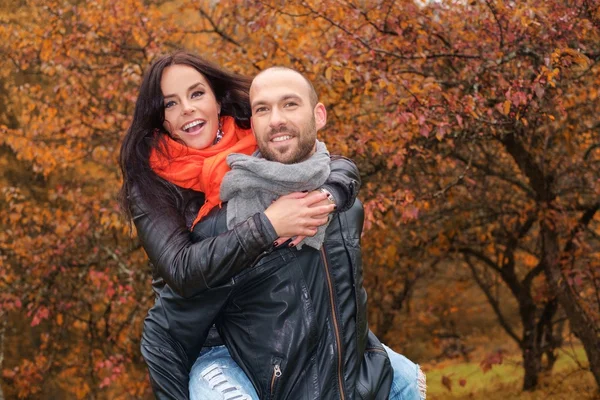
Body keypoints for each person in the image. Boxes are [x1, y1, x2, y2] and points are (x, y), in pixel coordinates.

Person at [119, 51, 425, 399]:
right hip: (212, 339)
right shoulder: (150, 182)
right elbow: (181, 269)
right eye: (170, 103)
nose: (187, 108)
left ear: (218, 100)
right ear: (161, 119)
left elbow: (323, 161)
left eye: (196, 93)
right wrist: (270, 224)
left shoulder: (259, 142)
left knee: (402, 378)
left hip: (283, 330)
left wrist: (330, 192)